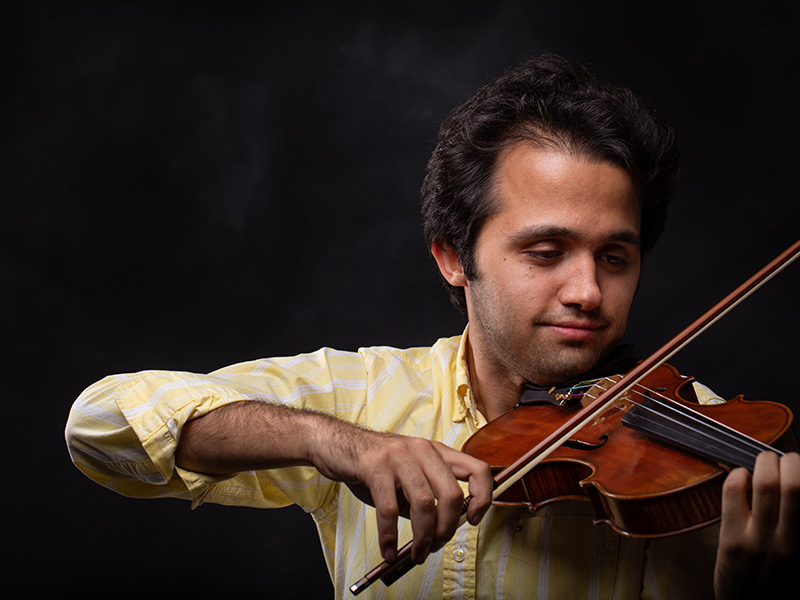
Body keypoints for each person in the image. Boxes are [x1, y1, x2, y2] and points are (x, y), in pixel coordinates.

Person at [65, 54, 798, 599]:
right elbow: (99, 427)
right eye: (546, 252)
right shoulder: (366, 398)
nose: (588, 291)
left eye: (615, 256)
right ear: (453, 256)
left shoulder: (707, 441)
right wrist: (331, 443)